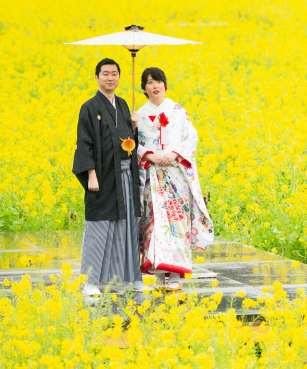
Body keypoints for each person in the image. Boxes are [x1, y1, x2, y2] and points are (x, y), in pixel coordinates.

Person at [72, 58, 149, 296]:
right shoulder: (89, 107)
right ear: (97, 77)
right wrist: (91, 175)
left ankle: (131, 278)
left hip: (125, 175)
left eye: (114, 74)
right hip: (103, 176)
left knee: (127, 227)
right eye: (105, 74)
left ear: (119, 77)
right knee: (99, 226)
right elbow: (84, 143)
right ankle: (90, 281)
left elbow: (127, 141)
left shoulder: (124, 104)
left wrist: (133, 126)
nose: (110, 78)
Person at [136, 67, 215, 290]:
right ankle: (160, 273)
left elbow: (191, 137)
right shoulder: (139, 115)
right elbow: (134, 144)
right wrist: (149, 155)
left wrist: (173, 154)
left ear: (165, 86)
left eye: (158, 81)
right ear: (144, 88)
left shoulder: (178, 111)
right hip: (153, 175)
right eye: (150, 82)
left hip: (175, 174)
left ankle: (176, 276)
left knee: (176, 222)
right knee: (155, 222)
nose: (155, 86)